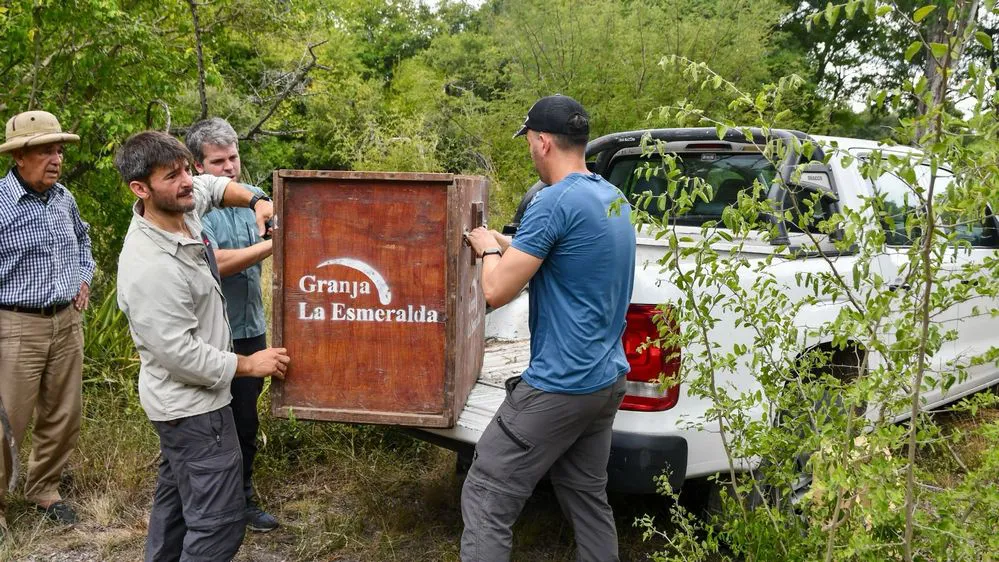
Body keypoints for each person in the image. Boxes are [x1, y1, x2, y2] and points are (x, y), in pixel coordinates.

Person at [461, 95, 637, 562]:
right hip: (605, 381)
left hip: (559, 387)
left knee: (485, 491)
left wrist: (485, 249)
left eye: (529, 144)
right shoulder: (610, 196)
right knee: (585, 494)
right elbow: (554, 250)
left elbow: (496, 290)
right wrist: (503, 242)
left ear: (541, 142)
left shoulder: (551, 201)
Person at [114, 131, 290, 561]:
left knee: (175, 509)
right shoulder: (150, 266)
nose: (186, 181)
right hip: (193, 411)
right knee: (219, 523)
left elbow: (211, 185)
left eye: (185, 170)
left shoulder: (180, 212)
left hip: (186, 410)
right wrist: (249, 364)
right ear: (140, 189)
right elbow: (178, 354)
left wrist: (257, 201)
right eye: (171, 176)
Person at [0, 110, 95, 528]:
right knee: (8, 419)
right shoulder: (2, 203)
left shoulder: (63, 198)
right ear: (20, 157)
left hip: (65, 319)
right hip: (15, 323)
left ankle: (44, 488)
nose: (56, 159)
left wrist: (83, 277)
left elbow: (83, 240)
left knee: (63, 411)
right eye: (45, 151)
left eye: (59, 150)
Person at [185, 117, 278, 532]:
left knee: (245, 418)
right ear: (197, 166)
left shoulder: (250, 200)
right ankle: (206, 505)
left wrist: (265, 213)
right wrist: (270, 246)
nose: (229, 167)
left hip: (250, 325)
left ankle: (241, 500)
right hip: (212, 333)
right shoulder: (195, 207)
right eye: (218, 160)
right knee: (209, 422)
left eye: (233, 157)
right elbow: (215, 263)